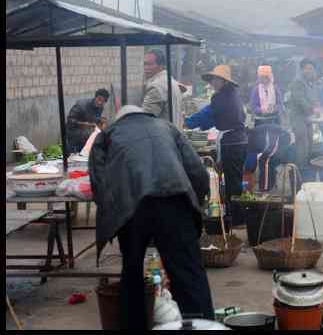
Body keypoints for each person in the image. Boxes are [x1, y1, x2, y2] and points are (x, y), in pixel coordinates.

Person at [89, 105, 213, 330]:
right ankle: (202, 325)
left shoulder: (108, 135)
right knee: (189, 272)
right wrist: (196, 204)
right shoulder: (167, 127)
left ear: (120, 119)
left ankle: (134, 326)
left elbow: (99, 183)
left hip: (132, 208)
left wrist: (113, 216)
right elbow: (198, 172)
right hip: (175, 202)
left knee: (132, 272)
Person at [185, 65, 248, 226]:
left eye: (215, 79)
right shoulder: (231, 95)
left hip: (232, 141)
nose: (212, 82)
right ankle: (235, 214)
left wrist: (188, 122)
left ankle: (236, 218)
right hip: (239, 140)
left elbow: (208, 115)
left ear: (223, 81)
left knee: (232, 180)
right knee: (235, 178)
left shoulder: (221, 97)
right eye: (212, 79)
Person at [288, 59, 322, 176]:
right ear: (302, 69)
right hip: (298, 119)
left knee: (310, 143)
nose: (310, 71)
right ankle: (300, 171)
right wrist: (313, 109)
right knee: (302, 144)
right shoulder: (298, 82)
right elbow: (299, 99)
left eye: (312, 69)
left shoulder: (310, 83)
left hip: (308, 118)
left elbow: (313, 98)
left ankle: (306, 169)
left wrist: (317, 105)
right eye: (307, 68)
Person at [141, 49, 184, 130]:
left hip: (162, 138)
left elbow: (145, 120)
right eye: (145, 64)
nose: (146, 68)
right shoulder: (171, 81)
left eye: (150, 64)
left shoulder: (156, 86)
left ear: (161, 66)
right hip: (173, 135)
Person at [66, 88, 109, 154]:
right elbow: (70, 121)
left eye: (103, 101)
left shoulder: (100, 107)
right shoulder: (81, 105)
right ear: (95, 97)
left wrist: (101, 121)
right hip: (74, 133)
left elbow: (95, 119)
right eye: (99, 99)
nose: (100, 102)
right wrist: (84, 124)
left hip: (87, 134)